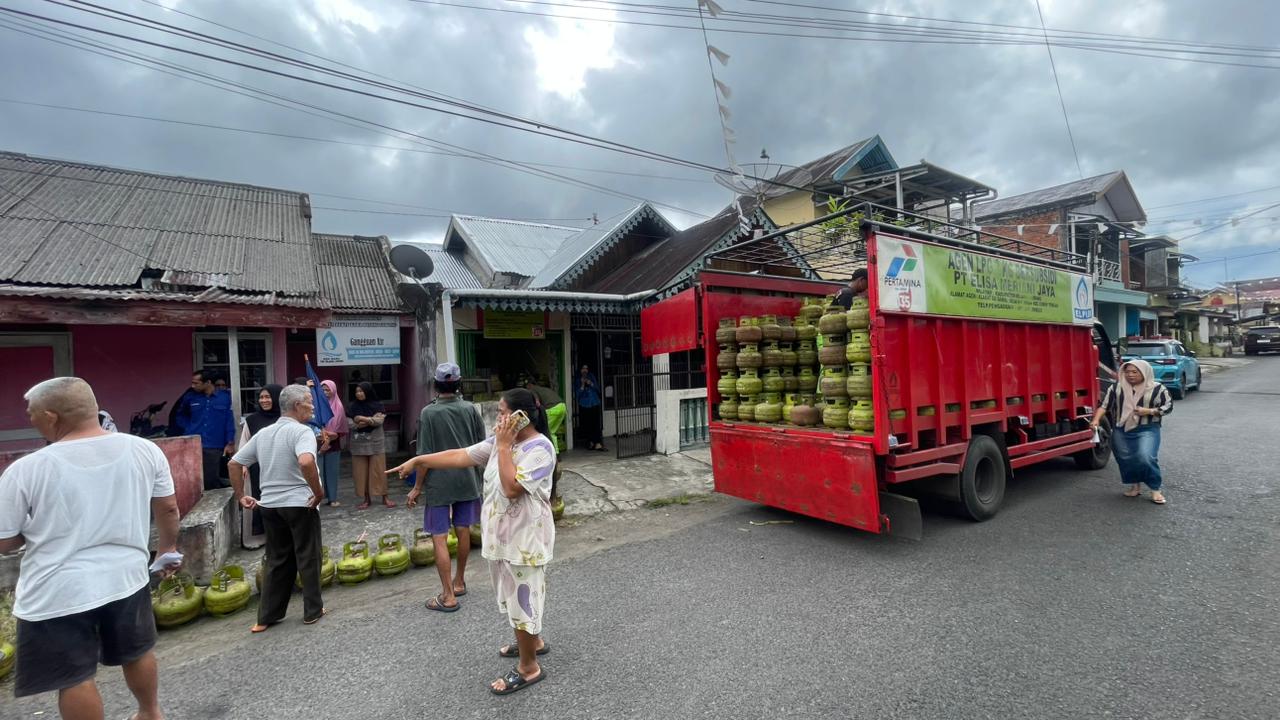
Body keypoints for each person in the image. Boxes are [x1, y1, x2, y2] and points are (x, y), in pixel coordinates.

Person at [0, 377, 181, 719]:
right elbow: (168, 509)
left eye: (32, 413)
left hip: (58, 589)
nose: (31, 419)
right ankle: (150, 712)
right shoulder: (144, 449)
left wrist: (38, 530)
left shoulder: (27, 470)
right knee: (137, 651)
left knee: (74, 676)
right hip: (127, 575)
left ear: (51, 417)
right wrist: (167, 550)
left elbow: (4, 539)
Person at [391, 387, 556, 695]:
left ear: (522, 417)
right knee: (513, 597)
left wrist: (505, 446)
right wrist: (418, 460)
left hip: (525, 541)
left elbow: (511, 488)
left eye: (504, 413)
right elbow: (460, 455)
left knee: (522, 599)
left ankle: (528, 667)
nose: (499, 419)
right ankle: (533, 642)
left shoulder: (540, 448)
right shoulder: (499, 443)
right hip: (503, 538)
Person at [228, 384, 327, 632]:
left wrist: (241, 495)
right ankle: (312, 611)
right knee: (308, 555)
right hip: (299, 503)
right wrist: (318, 492)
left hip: (270, 505)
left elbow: (234, 462)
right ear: (296, 406)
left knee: (276, 559)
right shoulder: (302, 432)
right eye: (308, 401)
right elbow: (306, 461)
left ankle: (266, 617)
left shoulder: (264, 433)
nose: (312, 406)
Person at [406, 363, 486, 612]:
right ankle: (460, 581)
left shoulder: (429, 413)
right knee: (463, 530)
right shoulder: (471, 409)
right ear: (459, 383)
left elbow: (424, 456)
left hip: (439, 483)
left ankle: (448, 595)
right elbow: (482, 446)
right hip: (467, 479)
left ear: (436, 384)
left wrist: (417, 487)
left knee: (439, 537)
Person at [1090, 358, 1174, 505]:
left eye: (1135, 372)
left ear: (1144, 373)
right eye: (1127, 372)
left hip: (1147, 428)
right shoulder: (1117, 387)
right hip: (1121, 429)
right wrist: (1096, 420)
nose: (1130, 375)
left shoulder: (1157, 388)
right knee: (1125, 458)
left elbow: (1168, 407)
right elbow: (1104, 406)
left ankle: (1155, 488)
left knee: (1145, 456)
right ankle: (1135, 485)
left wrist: (1148, 411)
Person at [237, 385, 283, 550]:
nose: (264, 400)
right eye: (261, 397)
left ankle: (281, 535)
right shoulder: (252, 420)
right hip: (258, 468)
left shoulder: (284, 418)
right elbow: (244, 444)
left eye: (268, 397)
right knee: (260, 500)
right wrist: (242, 464)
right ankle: (261, 536)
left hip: (281, 467)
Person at [188, 368, 236, 490]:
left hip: (214, 444)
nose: (192, 386)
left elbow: (229, 420)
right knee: (192, 479)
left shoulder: (225, 398)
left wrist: (230, 441)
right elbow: (179, 415)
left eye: (196, 383)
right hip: (193, 443)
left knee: (211, 479)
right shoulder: (190, 397)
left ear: (208, 382)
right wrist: (188, 428)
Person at [348, 381, 394, 510]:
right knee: (361, 472)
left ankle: (384, 497)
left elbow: (379, 421)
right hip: (358, 443)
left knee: (379, 470)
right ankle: (366, 499)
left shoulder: (378, 405)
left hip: (375, 443)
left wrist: (362, 418)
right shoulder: (352, 407)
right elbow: (349, 423)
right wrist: (363, 422)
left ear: (367, 391)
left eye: (361, 391)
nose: (359, 394)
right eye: (357, 391)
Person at [318, 380, 348, 507]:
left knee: (332, 471)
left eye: (327, 390)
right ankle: (319, 497)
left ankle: (332, 498)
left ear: (333, 390)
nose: (325, 392)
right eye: (322, 390)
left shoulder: (338, 406)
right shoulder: (316, 404)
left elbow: (340, 427)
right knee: (318, 471)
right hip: (318, 441)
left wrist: (331, 436)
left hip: (333, 443)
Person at [523, 378, 567, 454]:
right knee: (552, 431)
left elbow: (537, 403)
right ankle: (556, 452)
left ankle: (555, 454)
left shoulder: (532, 390)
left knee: (547, 431)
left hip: (552, 408)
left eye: (526, 386)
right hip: (562, 406)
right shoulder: (543, 389)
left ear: (529, 385)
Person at [575, 364, 605, 451]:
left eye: (586, 369)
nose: (585, 370)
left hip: (594, 403)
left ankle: (598, 443)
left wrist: (590, 383)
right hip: (585, 404)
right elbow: (577, 394)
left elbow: (598, 389)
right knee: (588, 424)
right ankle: (590, 442)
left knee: (596, 423)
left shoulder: (591, 376)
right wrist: (582, 385)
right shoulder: (577, 380)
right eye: (583, 368)